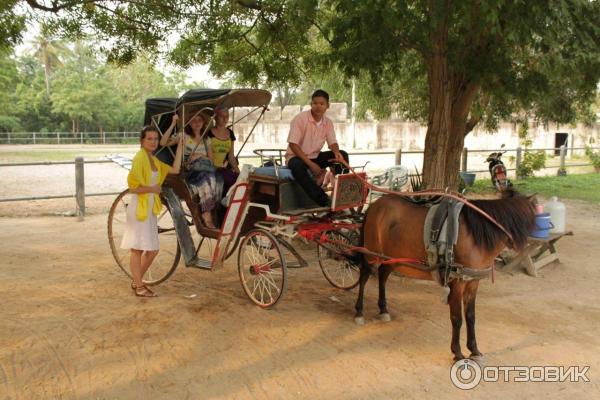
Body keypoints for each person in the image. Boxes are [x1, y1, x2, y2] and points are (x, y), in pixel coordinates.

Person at [121, 124, 184, 297]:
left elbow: (175, 170)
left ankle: (137, 281)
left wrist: (180, 146)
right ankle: (139, 286)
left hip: (149, 208)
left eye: (156, 139)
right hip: (139, 207)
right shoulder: (140, 158)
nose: (153, 142)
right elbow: (133, 188)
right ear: (142, 141)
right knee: (137, 249)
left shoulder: (154, 160)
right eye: (149, 138)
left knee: (152, 249)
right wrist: (152, 189)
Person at [285, 89, 349, 206]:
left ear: (327, 106)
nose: (318, 106)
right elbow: (293, 144)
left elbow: (332, 142)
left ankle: (342, 194)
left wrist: (336, 152)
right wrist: (311, 164)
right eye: (315, 103)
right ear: (311, 104)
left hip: (315, 156)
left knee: (342, 155)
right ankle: (323, 200)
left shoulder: (328, 123)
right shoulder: (300, 119)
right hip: (296, 157)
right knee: (298, 167)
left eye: (321, 104)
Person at [160, 113, 220, 228]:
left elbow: (211, 161)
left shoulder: (206, 139)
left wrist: (200, 156)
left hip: (206, 170)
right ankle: (207, 216)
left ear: (203, 123)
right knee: (207, 178)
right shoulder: (184, 135)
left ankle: (212, 213)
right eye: (194, 120)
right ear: (189, 123)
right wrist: (173, 123)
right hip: (190, 171)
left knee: (215, 179)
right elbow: (163, 143)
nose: (197, 123)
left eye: (199, 120)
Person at [209, 105, 240, 197]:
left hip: (224, 168)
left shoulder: (230, 133)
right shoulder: (209, 133)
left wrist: (238, 172)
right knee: (229, 180)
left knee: (239, 180)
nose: (225, 118)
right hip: (211, 168)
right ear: (215, 117)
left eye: (227, 116)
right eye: (221, 116)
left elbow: (231, 156)